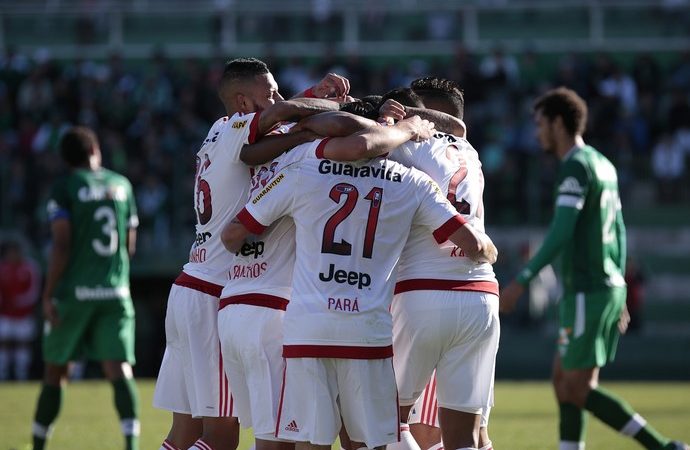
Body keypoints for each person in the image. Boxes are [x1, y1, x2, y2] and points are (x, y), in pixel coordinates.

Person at [222, 115, 496, 450]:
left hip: (308, 327)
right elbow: (473, 244)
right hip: (368, 330)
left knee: (311, 443)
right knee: (373, 442)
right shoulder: (413, 183)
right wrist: (491, 251)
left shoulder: (299, 173)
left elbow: (233, 235)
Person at [152, 57, 344, 450]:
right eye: (268, 92)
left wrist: (313, 95)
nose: (276, 97)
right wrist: (336, 109)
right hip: (212, 293)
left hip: (190, 286)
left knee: (184, 434)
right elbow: (286, 112)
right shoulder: (235, 128)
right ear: (242, 102)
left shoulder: (220, 131)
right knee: (221, 439)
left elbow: (280, 114)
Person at [500, 87, 689, 450]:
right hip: (601, 285)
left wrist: (523, 279)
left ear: (558, 123)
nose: (537, 132)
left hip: (588, 288)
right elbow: (618, 230)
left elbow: (561, 231)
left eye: (540, 123)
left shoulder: (575, 166)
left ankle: (664, 447)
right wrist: (621, 285)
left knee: (577, 387)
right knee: (562, 379)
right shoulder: (602, 163)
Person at [381, 80, 499, 450]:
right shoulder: (471, 152)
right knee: (465, 438)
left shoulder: (412, 142)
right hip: (481, 295)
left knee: (388, 423)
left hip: (423, 290)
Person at [31, 126, 140, 450]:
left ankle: (37, 444)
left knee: (56, 369)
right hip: (115, 292)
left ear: (66, 159)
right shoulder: (122, 185)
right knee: (119, 367)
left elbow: (61, 245)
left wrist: (48, 294)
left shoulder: (65, 187)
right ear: (95, 150)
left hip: (75, 294)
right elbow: (129, 246)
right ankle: (131, 444)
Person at [0, 239, 40, 381]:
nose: (12, 255)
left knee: (23, 345)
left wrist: (18, 302)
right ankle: (3, 376)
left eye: (15, 252)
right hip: (5, 314)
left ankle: (21, 376)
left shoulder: (30, 267)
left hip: (24, 315)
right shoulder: (2, 268)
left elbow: (34, 292)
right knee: (4, 344)